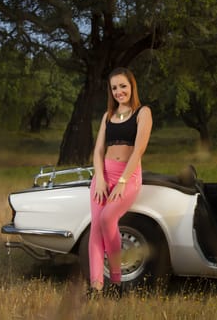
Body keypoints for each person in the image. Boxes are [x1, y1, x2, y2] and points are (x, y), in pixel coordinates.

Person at [88, 67, 153, 292]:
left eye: (123, 86)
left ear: (132, 86)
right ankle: (96, 288)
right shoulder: (108, 116)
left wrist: (123, 181)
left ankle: (115, 281)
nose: (119, 91)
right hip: (103, 176)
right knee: (96, 229)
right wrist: (100, 180)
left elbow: (138, 150)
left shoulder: (143, 112)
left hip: (129, 176)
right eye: (114, 88)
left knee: (107, 218)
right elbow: (98, 151)